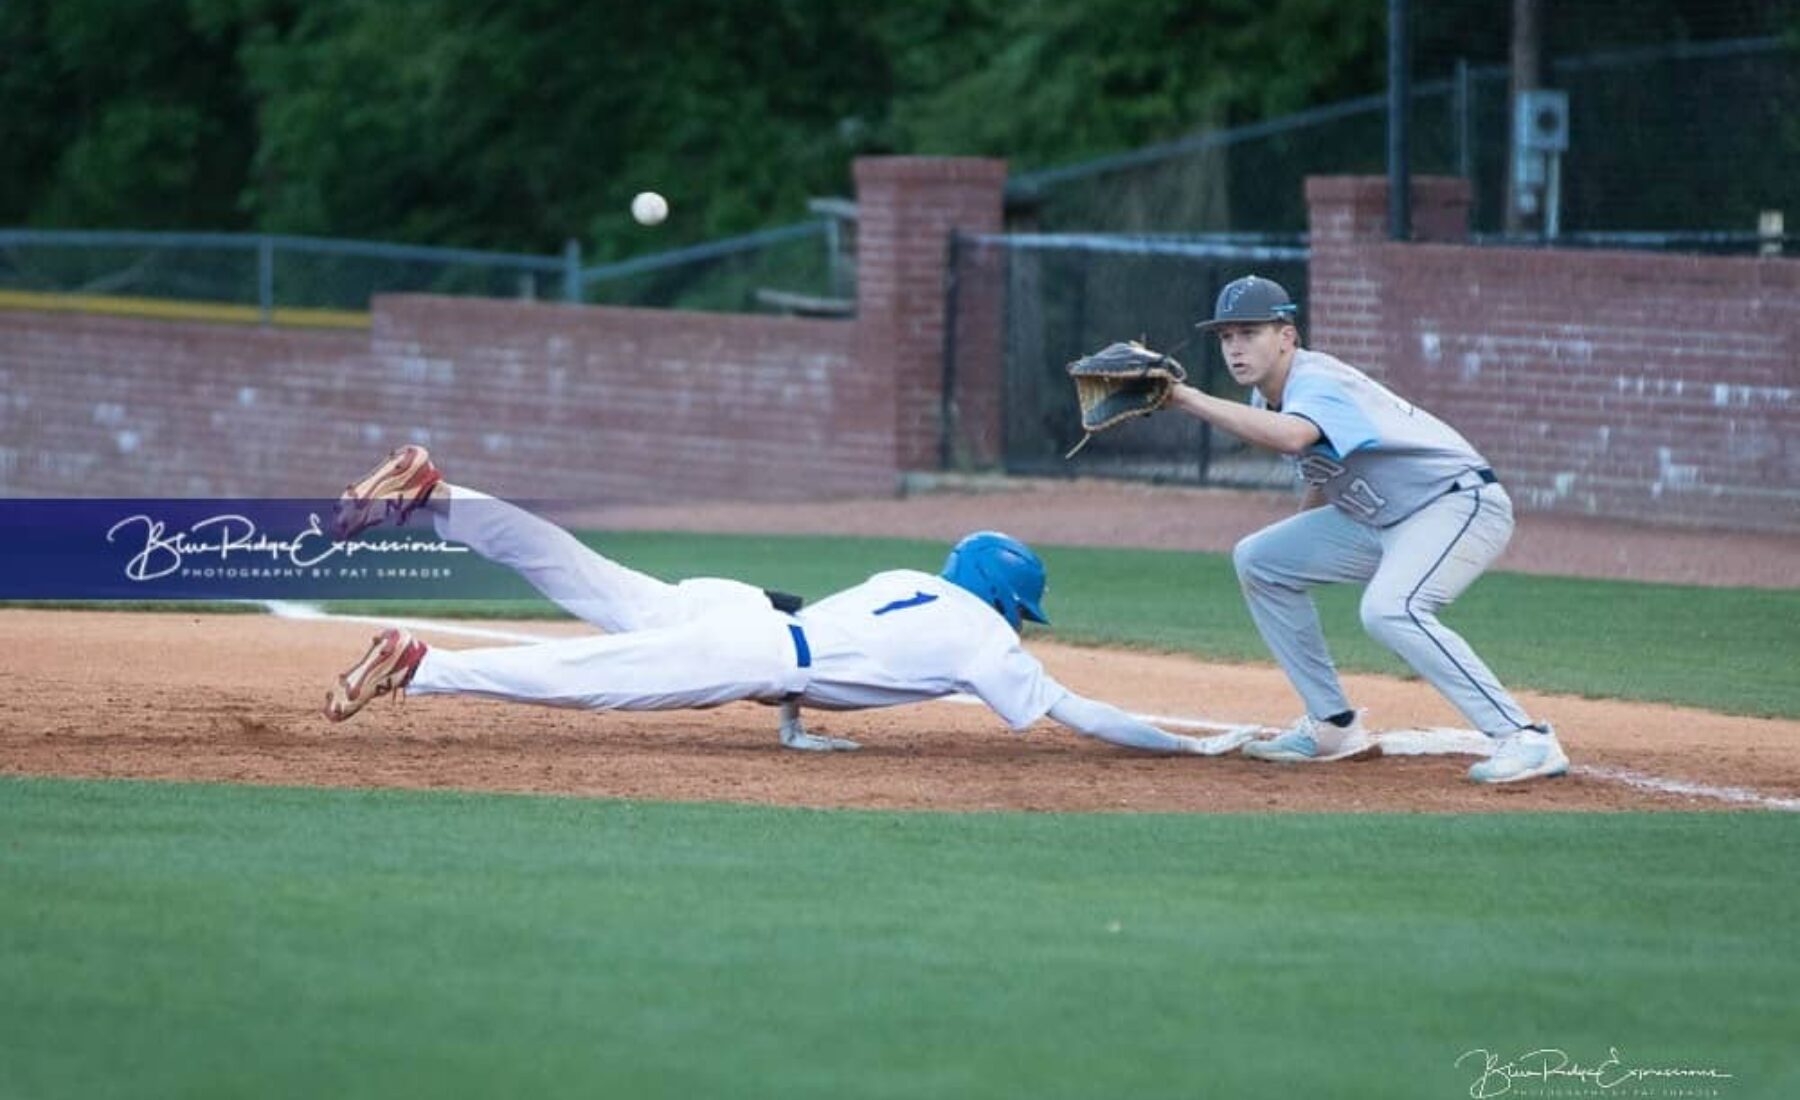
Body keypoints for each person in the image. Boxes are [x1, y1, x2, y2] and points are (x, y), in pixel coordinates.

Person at [321, 445, 1250, 758]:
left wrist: (795, 731)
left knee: (578, 572)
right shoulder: (984, 642)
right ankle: (424, 663)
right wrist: (1184, 744)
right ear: (1009, 602)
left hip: (746, 617)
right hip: (753, 651)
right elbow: (1077, 712)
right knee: (589, 678)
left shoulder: (910, 583)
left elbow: (832, 642)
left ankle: (439, 496)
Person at [1163, 275, 1567, 784]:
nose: (1235, 347)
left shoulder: (1316, 381)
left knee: (1389, 610)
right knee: (1261, 559)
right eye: (1226, 336)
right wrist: (1299, 552)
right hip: (1383, 520)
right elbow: (1320, 476)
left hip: (1456, 505)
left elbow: (1293, 439)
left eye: (1250, 332)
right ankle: (1332, 726)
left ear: (1286, 336)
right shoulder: (1267, 397)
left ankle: (1525, 737)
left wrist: (1186, 398)